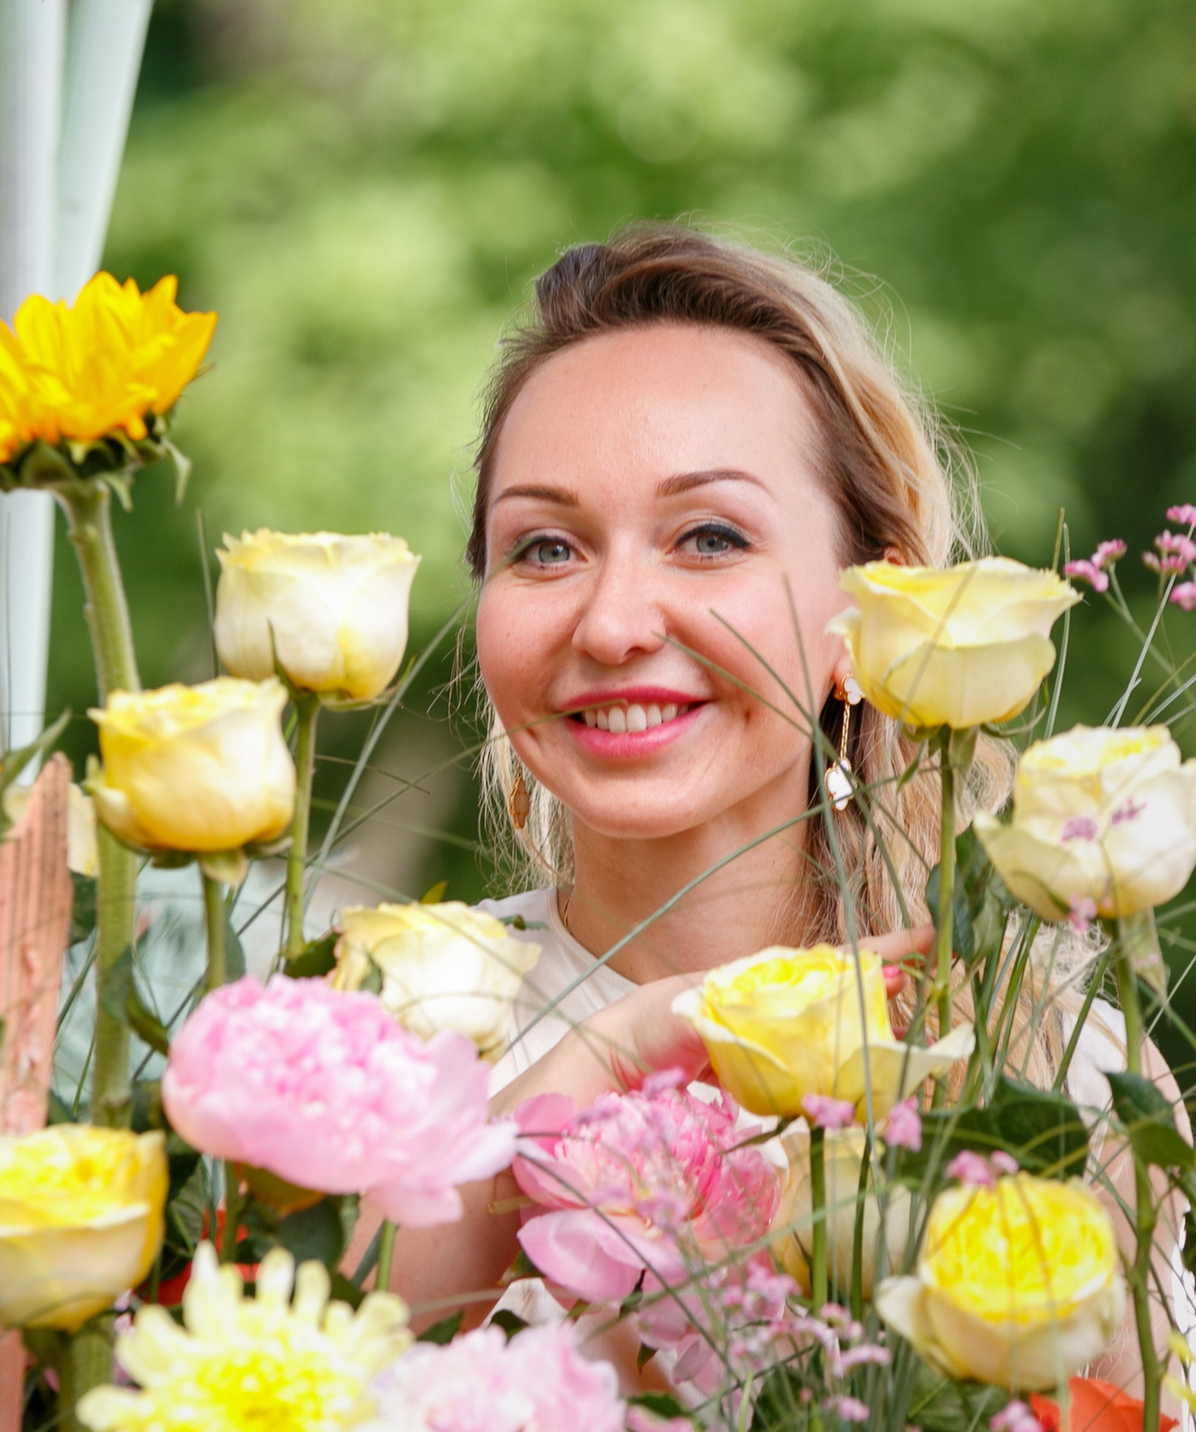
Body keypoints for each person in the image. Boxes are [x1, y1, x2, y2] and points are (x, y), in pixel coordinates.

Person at [380, 223, 1149, 1345]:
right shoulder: (381, 1043)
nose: (613, 623)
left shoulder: (1048, 1063)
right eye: (544, 548)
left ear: (864, 617)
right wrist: (613, 1055)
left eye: (706, 535)